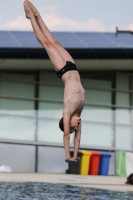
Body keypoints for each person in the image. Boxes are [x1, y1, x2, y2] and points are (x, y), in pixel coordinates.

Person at [23, 0, 85, 162]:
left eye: (73, 127)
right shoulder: (79, 113)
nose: (76, 127)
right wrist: (75, 155)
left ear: (67, 122)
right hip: (73, 67)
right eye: (75, 128)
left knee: (47, 44)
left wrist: (68, 156)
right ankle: (37, 15)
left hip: (63, 70)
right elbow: (77, 139)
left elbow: (67, 136)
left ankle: (31, 17)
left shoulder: (68, 111)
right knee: (55, 42)